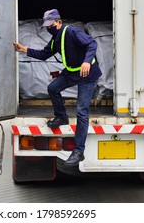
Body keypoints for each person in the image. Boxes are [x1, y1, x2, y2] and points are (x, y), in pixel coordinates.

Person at [13, 9, 102, 167]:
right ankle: (61, 116)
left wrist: (87, 61)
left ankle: (78, 151)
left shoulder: (72, 31)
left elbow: (92, 43)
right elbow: (43, 54)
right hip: (72, 73)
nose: (49, 28)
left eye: (51, 25)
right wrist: (24, 49)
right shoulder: (56, 39)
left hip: (87, 75)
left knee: (82, 110)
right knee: (53, 88)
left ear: (59, 22)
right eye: (47, 26)